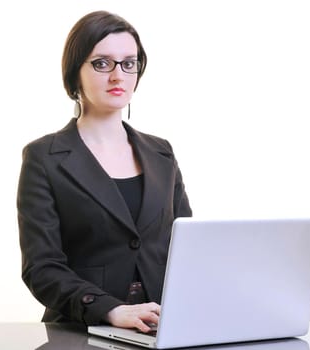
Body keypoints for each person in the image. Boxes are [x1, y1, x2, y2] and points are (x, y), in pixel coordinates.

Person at [16, 10, 192, 333]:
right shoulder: (44, 158)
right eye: (101, 63)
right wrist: (110, 310)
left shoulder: (162, 153)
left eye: (129, 63)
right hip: (80, 331)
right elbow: (41, 268)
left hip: (161, 329)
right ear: (74, 73)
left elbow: (188, 250)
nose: (118, 76)